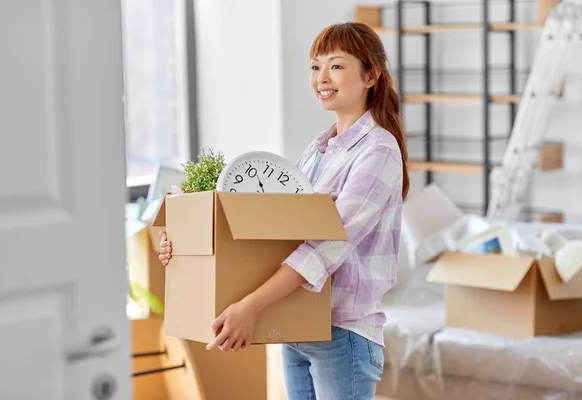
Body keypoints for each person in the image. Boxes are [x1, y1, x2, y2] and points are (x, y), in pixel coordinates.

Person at [158, 21, 409, 400]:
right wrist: (187, 235)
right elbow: (276, 232)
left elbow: (325, 244)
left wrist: (250, 307)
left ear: (370, 74)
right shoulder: (319, 148)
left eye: (336, 66)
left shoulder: (379, 151)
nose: (322, 77)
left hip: (344, 333)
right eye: (315, 66)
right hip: (297, 324)